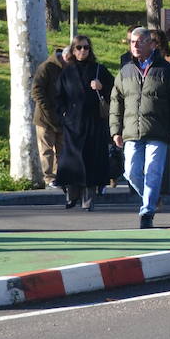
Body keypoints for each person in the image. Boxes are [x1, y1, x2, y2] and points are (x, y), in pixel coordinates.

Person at [109, 28, 170, 228]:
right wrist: (115, 130)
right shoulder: (125, 70)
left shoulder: (167, 70)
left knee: (153, 170)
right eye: (132, 42)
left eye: (140, 42)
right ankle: (151, 197)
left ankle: (147, 212)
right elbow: (115, 102)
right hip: (130, 131)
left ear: (151, 44)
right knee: (131, 172)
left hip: (158, 132)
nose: (135, 45)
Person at [54, 36, 114, 210]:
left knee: (91, 160)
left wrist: (102, 87)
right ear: (73, 51)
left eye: (86, 47)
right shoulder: (66, 72)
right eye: (78, 48)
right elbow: (58, 97)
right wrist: (64, 115)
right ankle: (72, 195)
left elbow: (115, 92)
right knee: (71, 161)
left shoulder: (99, 70)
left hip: (94, 123)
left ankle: (88, 199)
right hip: (73, 123)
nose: (82, 51)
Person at [31, 46, 68, 188]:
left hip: (62, 116)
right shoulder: (46, 67)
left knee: (62, 149)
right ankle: (49, 178)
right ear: (63, 57)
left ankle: (60, 175)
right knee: (46, 149)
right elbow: (36, 91)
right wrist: (47, 108)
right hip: (45, 118)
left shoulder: (69, 68)